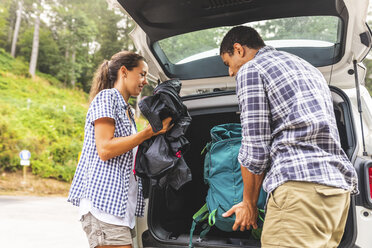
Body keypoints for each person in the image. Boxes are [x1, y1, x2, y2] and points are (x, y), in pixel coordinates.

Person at [219, 26, 358, 247]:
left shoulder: (252, 70)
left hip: (300, 192)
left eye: (228, 63)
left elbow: (255, 149)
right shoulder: (308, 68)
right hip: (337, 192)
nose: (231, 72)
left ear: (238, 49)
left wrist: (248, 204)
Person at [67, 51, 172, 248]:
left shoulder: (127, 110)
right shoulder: (107, 98)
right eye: (142, 74)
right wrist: (149, 132)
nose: (145, 81)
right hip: (104, 208)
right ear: (124, 72)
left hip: (120, 211)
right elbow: (105, 149)